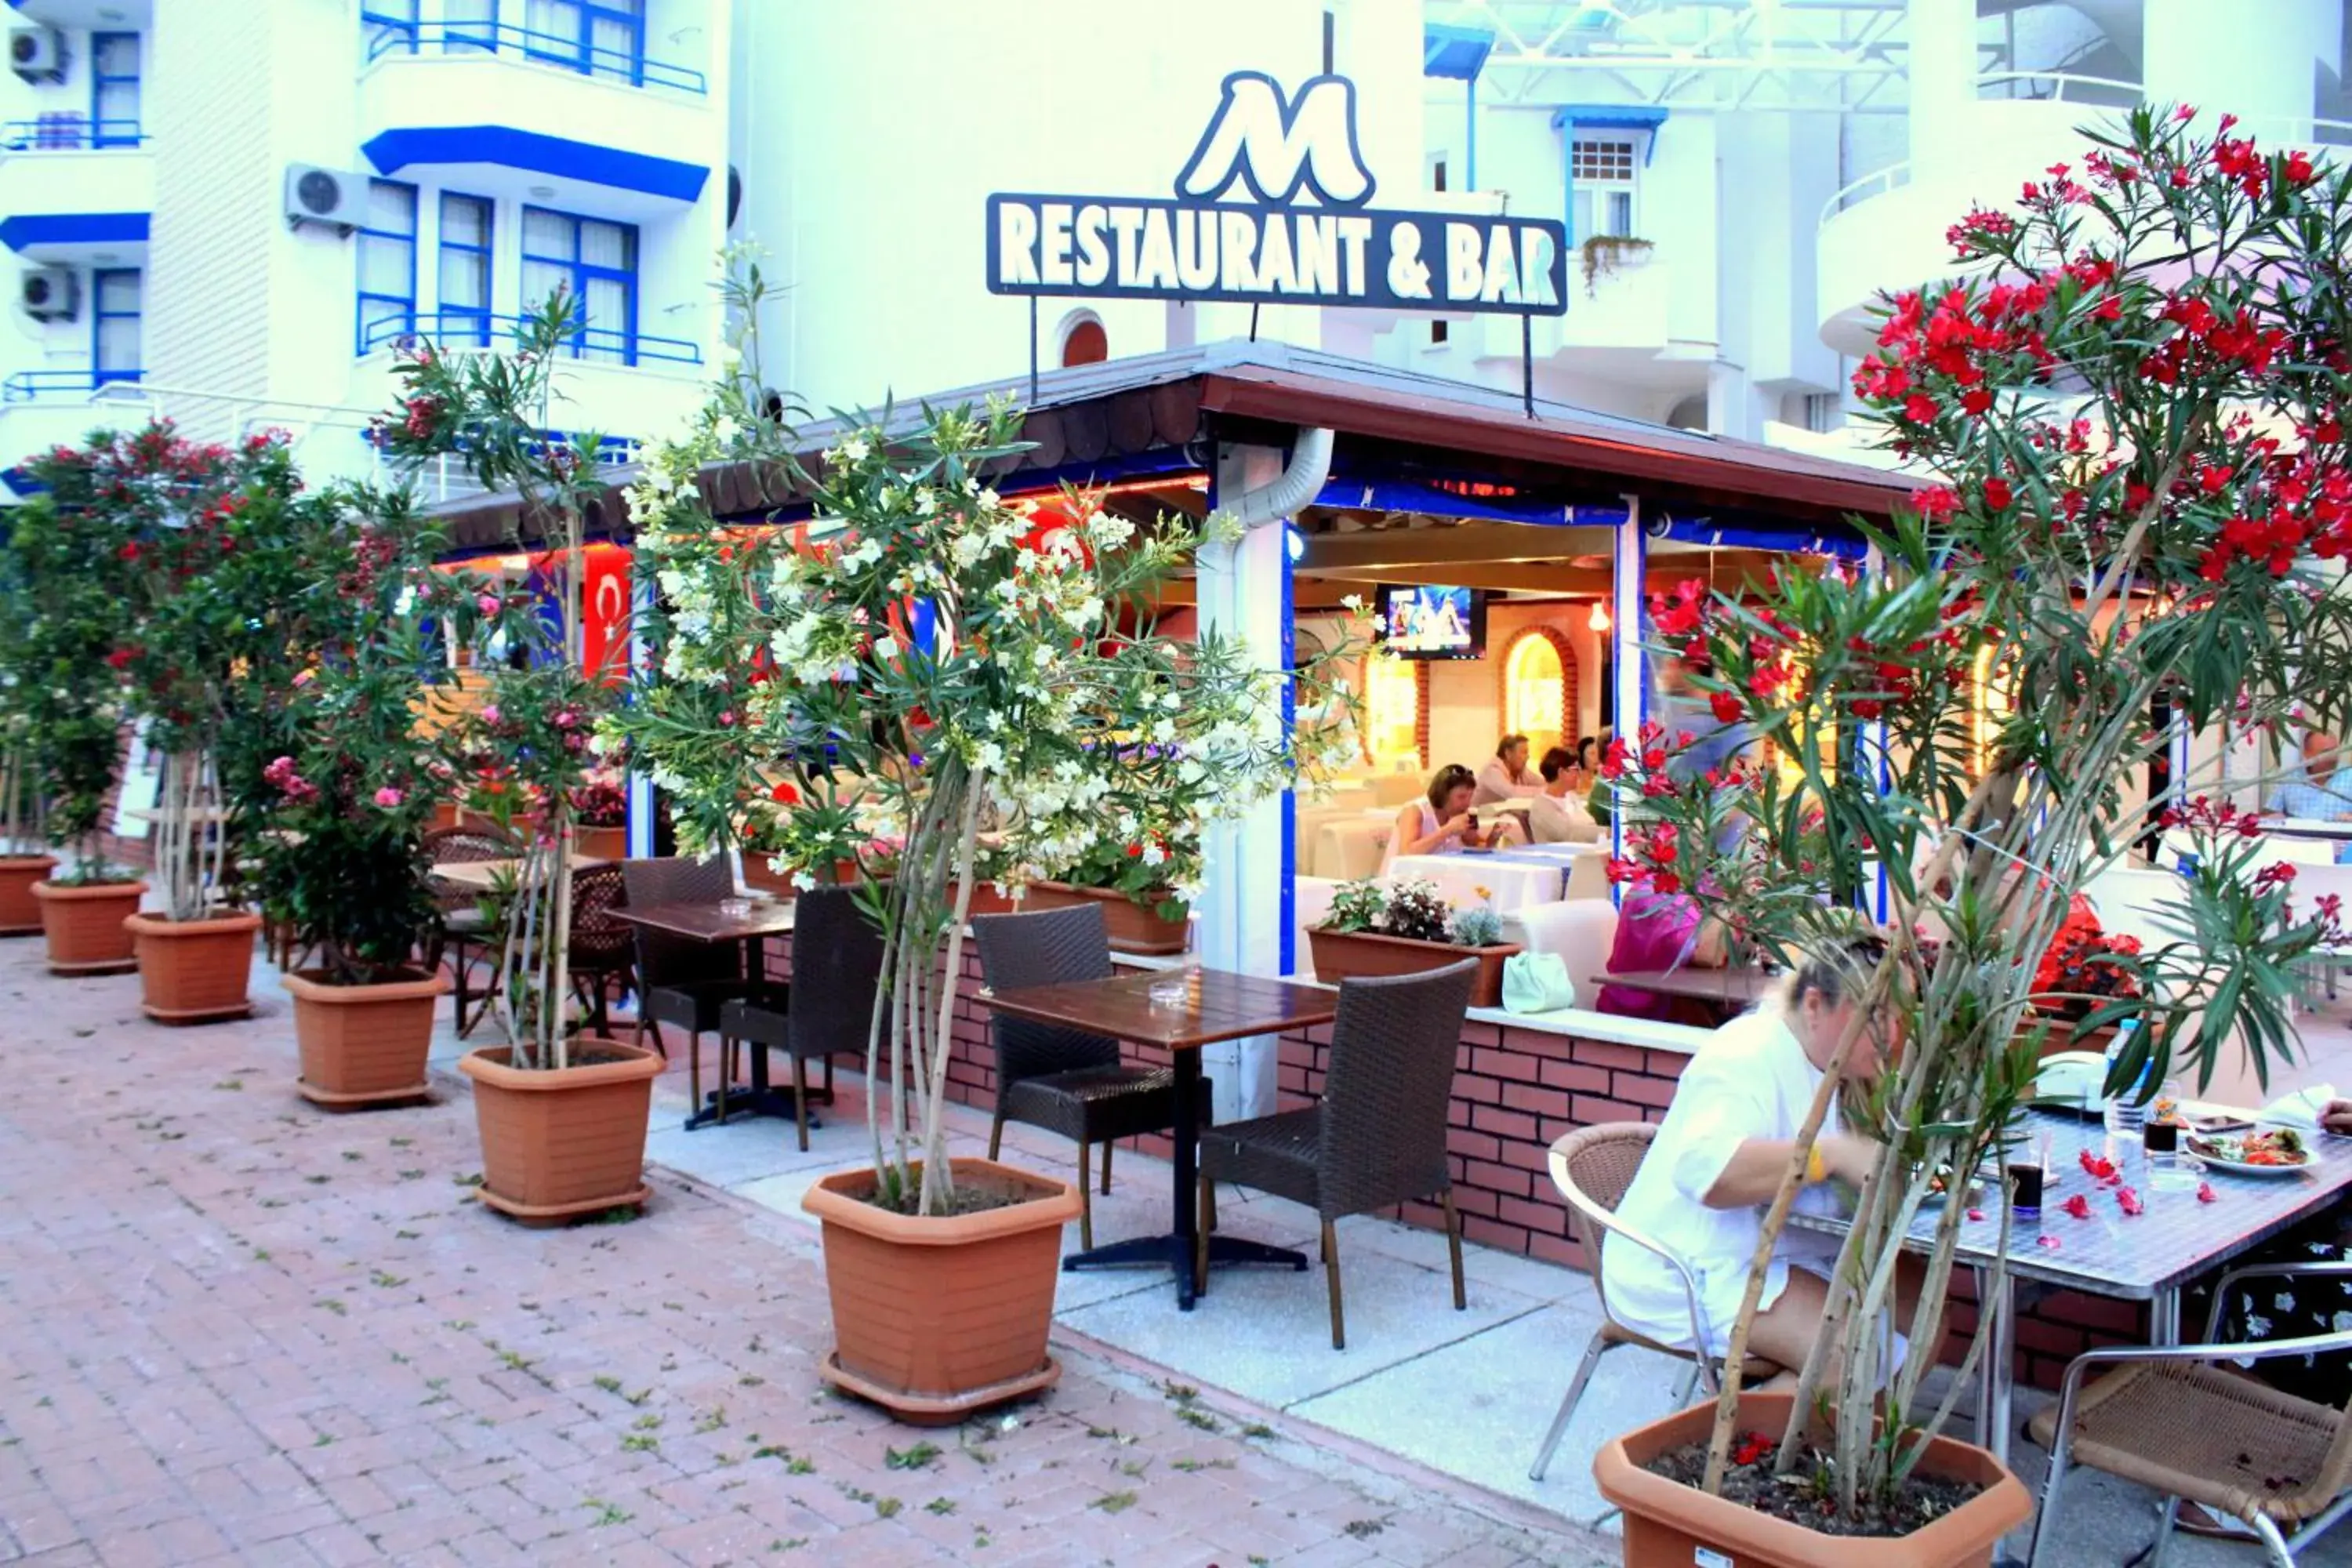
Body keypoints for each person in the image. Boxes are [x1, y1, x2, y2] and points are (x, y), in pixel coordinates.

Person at [1601, 938, 1922, 1382]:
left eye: (1900, 1017)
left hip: (1777, 1248)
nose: (1891, 1035)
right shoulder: (1747, 1053)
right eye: (1877, 1016)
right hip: (1687, 1266)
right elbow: (1708, 1172)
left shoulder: (1837, 1063)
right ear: (1814, 1005)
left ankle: (1827, 1439)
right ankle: (1730, 1446)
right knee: (1855, 1359)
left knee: (1922, 1310)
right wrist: (1830, 1155)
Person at [1383, 763, 1523, 869]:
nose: (1467, 803)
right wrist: (1447, 831)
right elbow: (1406, 853)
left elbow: (1477, 846)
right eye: (1461, 797)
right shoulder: (1415, 810)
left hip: (1441, 876)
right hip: (1407, 882)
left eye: (1470, 797)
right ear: (1443, 794)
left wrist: (1493, 838)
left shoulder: (1464, 814)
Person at [2272, 728, 2352, 864]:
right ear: (2307, 755)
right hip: (2297, 852)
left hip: (2342, 856)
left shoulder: (2349, 776)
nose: (2333, 757)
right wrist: (2275, 818)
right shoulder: (2291, 778)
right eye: (2326, 753)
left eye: (2336, 751)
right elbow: (2269, 815)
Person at [1528, 745, 1600, 844]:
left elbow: (1590, 823)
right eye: (1575, 769)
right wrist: (1607, 832)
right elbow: (1569, 834)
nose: (1579, 774)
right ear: (1561, 772)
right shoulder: (1541, 807)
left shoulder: (1571, 797)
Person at [1475, 735, 1544, 807]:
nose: (1527, 757)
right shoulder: (1492, 770)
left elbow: (1544, 783)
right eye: (1524, 752)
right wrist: (1545, 791)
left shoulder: (1522, 771)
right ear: (1508, 754)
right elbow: (1511, 793)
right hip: (1481, 816)